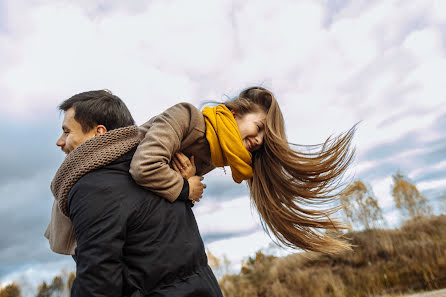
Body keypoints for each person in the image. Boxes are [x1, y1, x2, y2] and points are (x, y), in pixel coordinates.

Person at [130, 86, 356, 254]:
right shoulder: (187, 117)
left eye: (263, 139)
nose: (258, 141)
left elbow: (164, 195)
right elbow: (143, 166)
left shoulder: (213, 156)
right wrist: (186, 187)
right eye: (259, 128)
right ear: (236, 112)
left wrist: (186, 187)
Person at [45, 90, 223, 297]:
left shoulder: (95, 187)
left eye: (67, 132)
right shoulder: (157, 169)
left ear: (99, 132)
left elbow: (98, 280)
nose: (60, 141)